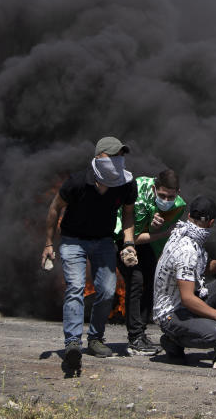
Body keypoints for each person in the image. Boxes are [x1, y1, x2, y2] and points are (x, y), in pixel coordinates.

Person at [41, 136, 138, 375]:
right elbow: (55, 208)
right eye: (112, 155)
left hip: (104, 240)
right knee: (74, 287)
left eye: (120, 156)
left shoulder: (126, 184)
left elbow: (128, 214)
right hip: (73, 240)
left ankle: (95, 339)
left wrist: (128, 243)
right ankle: (72, 344)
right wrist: (48, 243)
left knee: (107, 289)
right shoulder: (76, 182)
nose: (117, 160)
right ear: (98, 158)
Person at [152, 196, 216, 367]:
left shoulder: (183, 233)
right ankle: (172, 340)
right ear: (211, 222)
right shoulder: (187, 249)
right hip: (171, 313)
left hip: (183, 304)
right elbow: (187, 299)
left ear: (189, 216)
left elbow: (194, 270)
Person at [115, 168, 187, 356]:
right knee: (136, 280)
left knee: (152, 279)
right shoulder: (138, 193)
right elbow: (132, 234)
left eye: (170, 197)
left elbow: (160, 231)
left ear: (177, 193)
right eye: (162, 195)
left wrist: (158, 227)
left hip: (148, 241)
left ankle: (142, 332)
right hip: (122, 238)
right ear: (155, 188)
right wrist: (160, 232)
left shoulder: (178, 205)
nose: (166, 200)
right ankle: (135, 338)